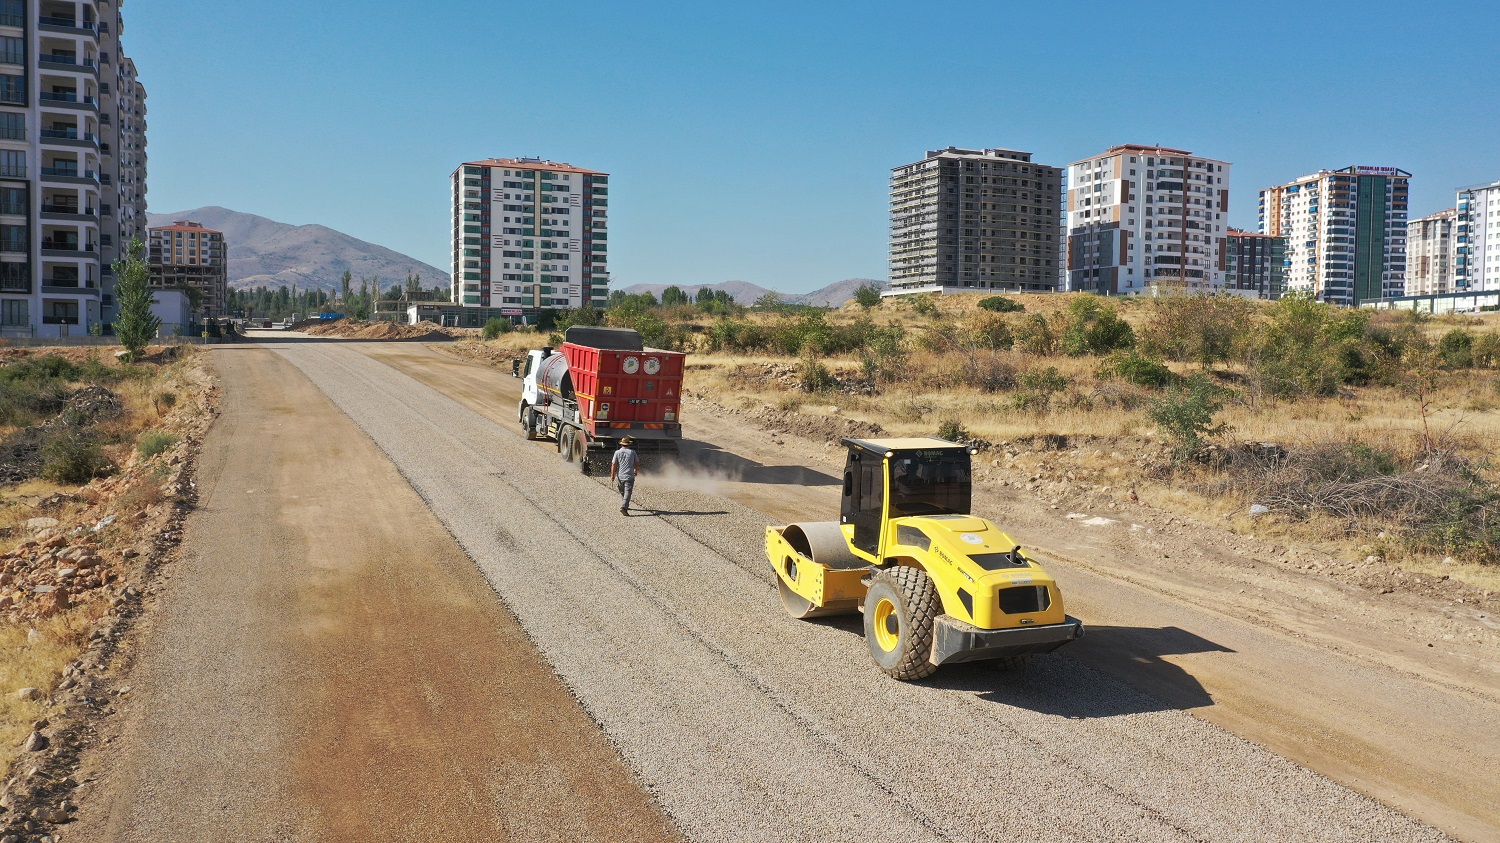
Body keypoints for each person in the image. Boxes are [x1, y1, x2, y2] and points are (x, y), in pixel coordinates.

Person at [610, 437, 640, 515]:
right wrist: (635, 470)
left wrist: (612, 475)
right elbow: (637, 462)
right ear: (629, 444)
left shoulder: (617, 452)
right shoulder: (632, 452)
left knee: (622, 491)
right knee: (628, 492)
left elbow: (614, 464)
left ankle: (624, 504)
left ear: (621, 444)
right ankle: (624, 506)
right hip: (629, 476)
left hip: (620, 476)